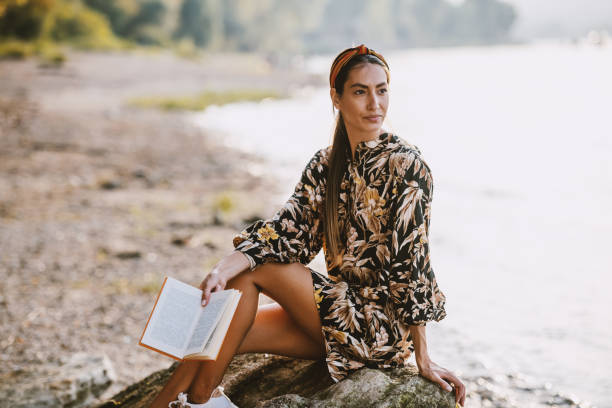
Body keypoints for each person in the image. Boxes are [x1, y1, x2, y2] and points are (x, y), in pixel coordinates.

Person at [152, 44, 466, 408]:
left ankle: (202, 402)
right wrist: (222, 270)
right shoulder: (325, 164)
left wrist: (423, 357)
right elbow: (289, 232)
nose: (374, 104)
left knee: (256, 270)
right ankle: (177, 405)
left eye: (381, 90)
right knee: (213, 327)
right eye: (360, 92)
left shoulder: (406, 166)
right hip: (338, 320)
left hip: (379, 328)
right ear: (337, 97)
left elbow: (411, 263)